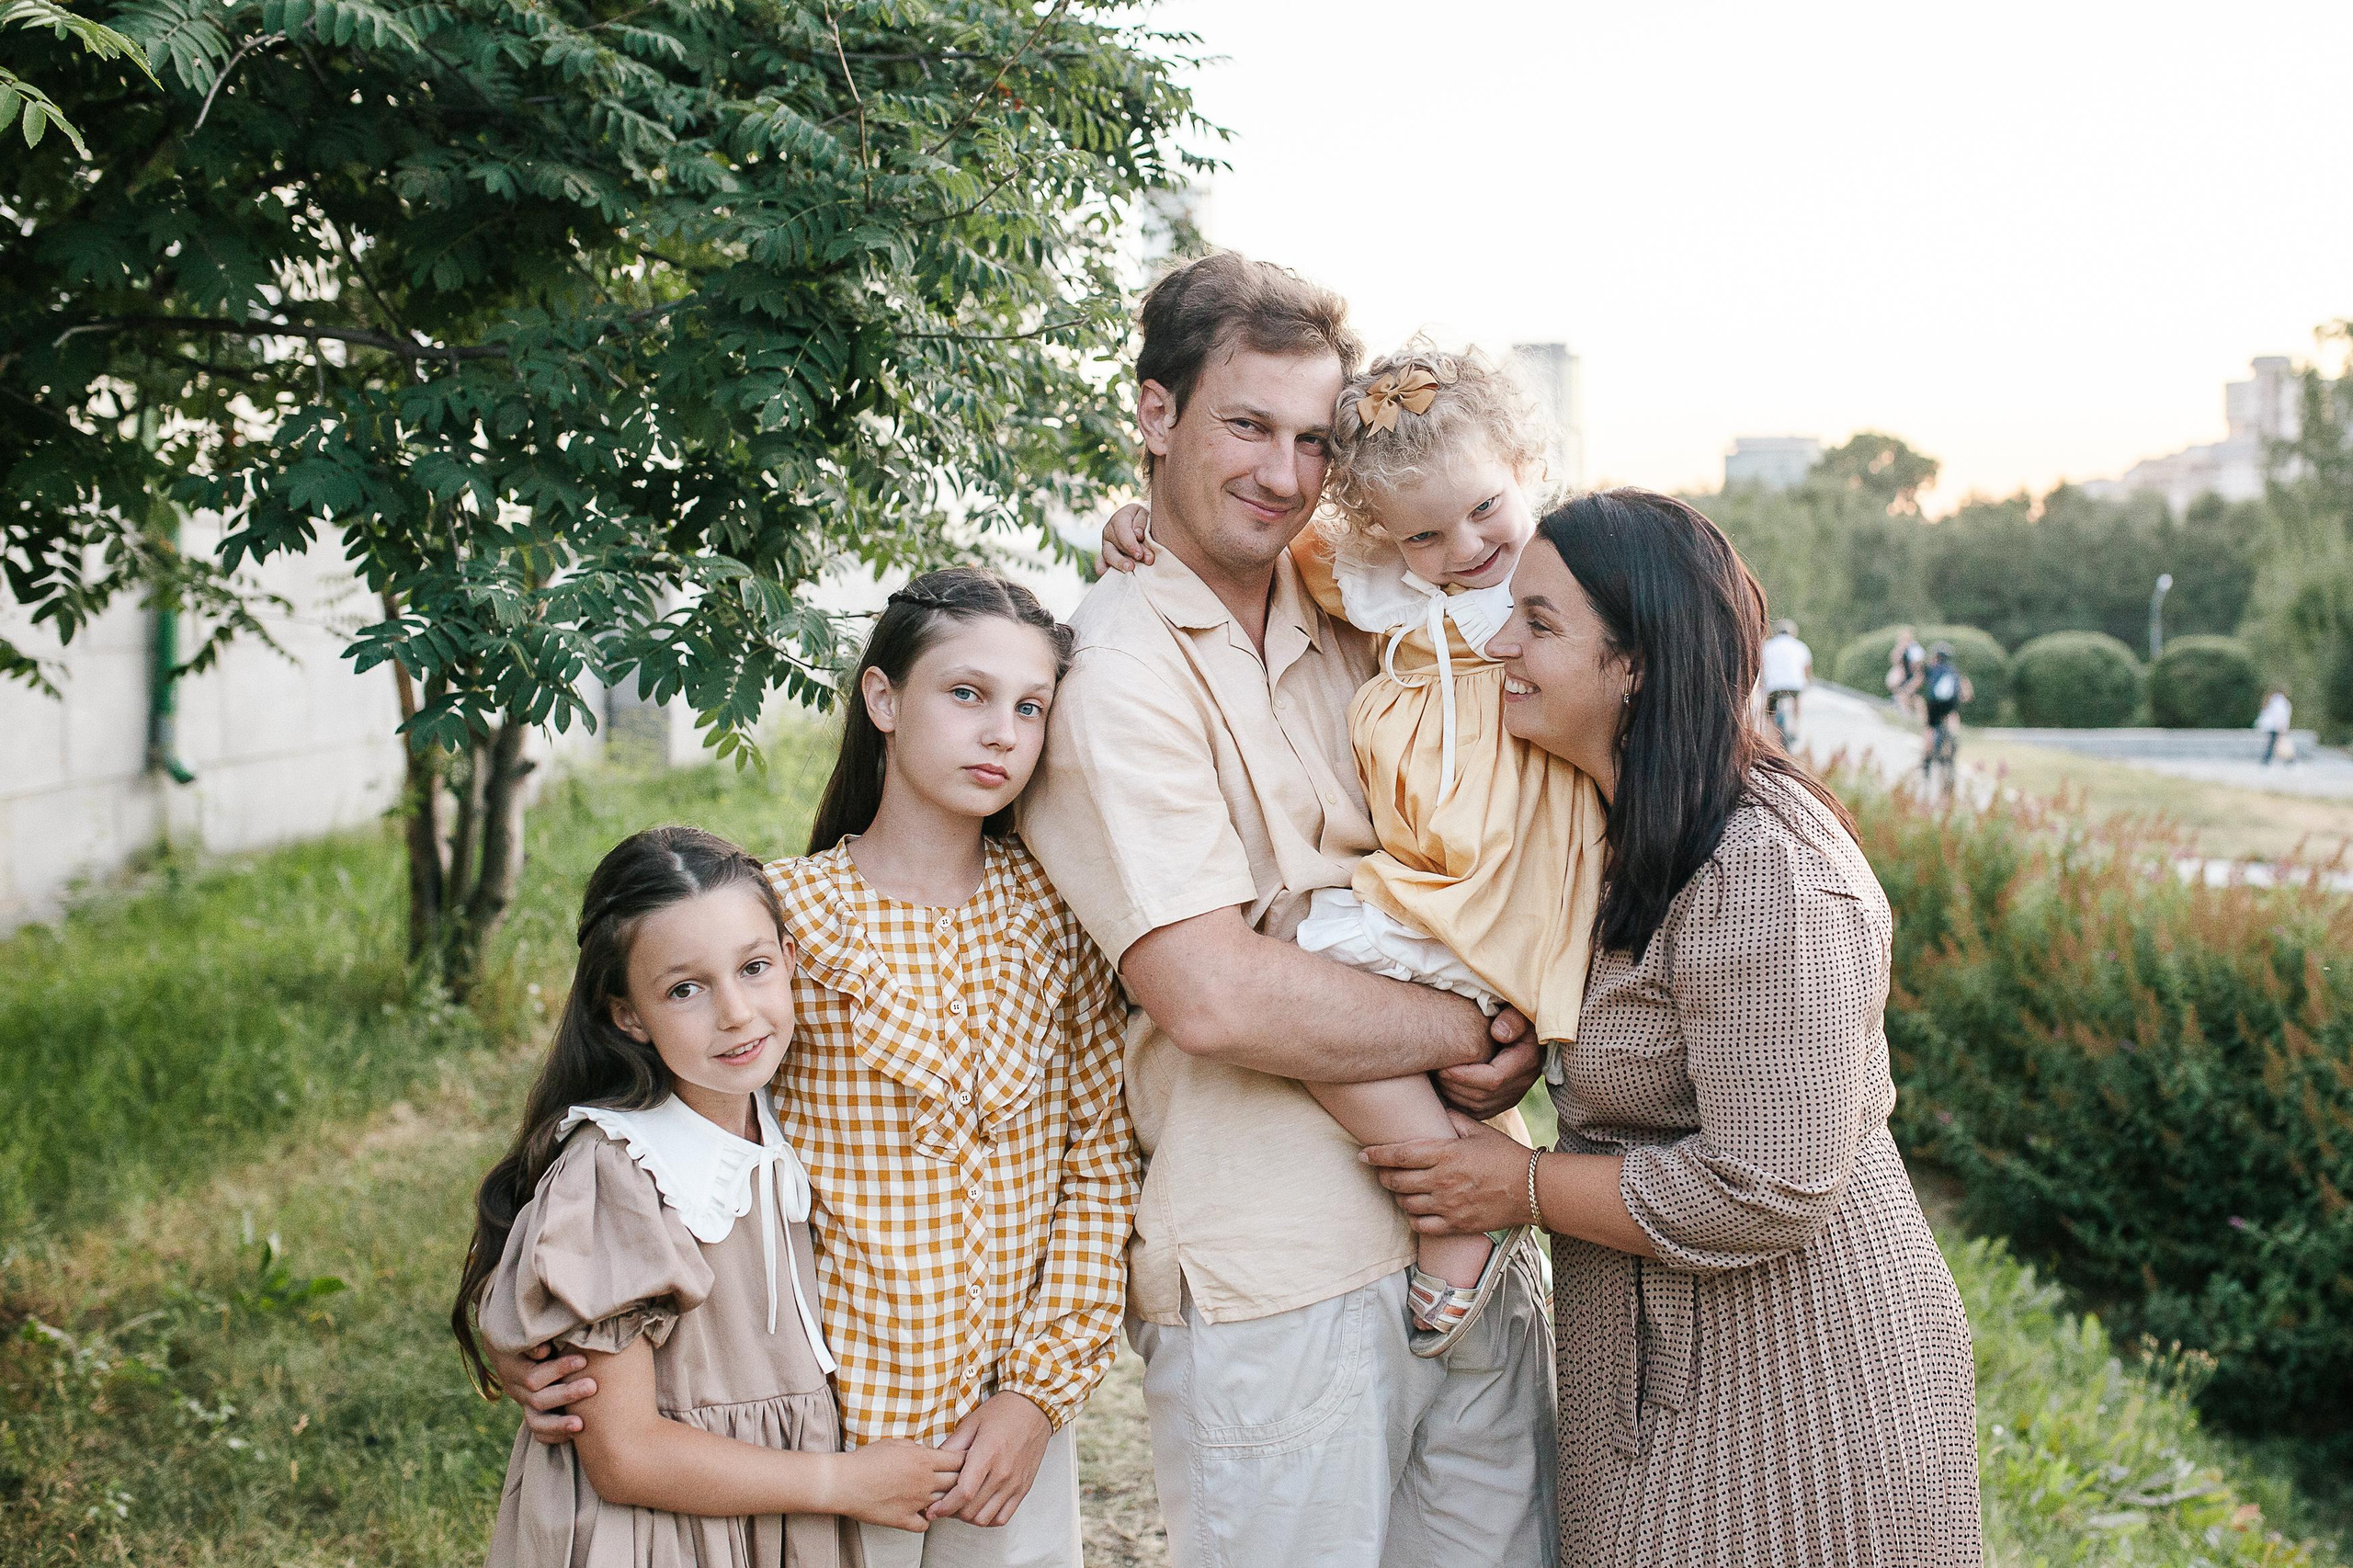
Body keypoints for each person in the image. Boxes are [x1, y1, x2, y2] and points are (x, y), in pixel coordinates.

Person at [1021, 252, 1556, 1568]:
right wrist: (1469, 1018)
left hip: (1476, 1217)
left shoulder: (1357, 606)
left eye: (1312, 440)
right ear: (1157, 419)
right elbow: (1210, 988)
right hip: (1279, 1278)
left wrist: (1528, 1017)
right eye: (1245, 426)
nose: (1281, 471)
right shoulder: (1114, 671)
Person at [1358, 489, 1983, 1567]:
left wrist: (1518, 1186)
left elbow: (1771, 1179)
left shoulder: (1762, 871)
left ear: (1636, 661)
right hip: (1666, 1356)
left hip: (1804, 1378)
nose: (1500, 642)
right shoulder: (1611, 817)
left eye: (1540, 623)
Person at [1097, 337, 1605, 1351]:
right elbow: (1264, 536)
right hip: (1439, 862)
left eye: (1483, 511)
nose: (1464, 548)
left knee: (1326, 957)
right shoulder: (1382, 590)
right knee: (1317, 970)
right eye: (1424, 532)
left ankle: (1451, 1199)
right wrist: (1133, 521)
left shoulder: (1567, 575)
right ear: (1387, 535)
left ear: (1525, 471)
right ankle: (1443, 1172)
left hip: (1514, 860)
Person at [452, 826, 962, 1568]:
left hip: (772, 1516)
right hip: (661, 1535)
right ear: (626, 1014)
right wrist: (842, 1480)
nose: (735, 1013)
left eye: (754, 967)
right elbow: (624, 1454)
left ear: (790, 963)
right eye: (685, 989)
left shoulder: (789, 1114)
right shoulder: (619, 1174)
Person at [762, 567, 1141, 1568]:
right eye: (965, 693)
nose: (1001, 732)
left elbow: (1098, 1165)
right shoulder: (784, 919)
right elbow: (670, 1156)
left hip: (1004, 1436)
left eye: (1029, 707)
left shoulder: (1058, 915)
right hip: (828, 1424)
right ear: (882, 698)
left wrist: (1034, 1395)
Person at [1918, 642, 1972, 796]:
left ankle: (1926, 759)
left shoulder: (1931, 669)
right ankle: (1953, 737)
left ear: (1936, 657)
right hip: (1950, 705)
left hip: (1934, 705)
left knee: (1929, 728)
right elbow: (1966, 694)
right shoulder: (1955, 671)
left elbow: (1919, 682)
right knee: (1952, 716)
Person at [1759, 617, 1813, 747]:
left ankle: (1771, 737)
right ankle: (1796, 728)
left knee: (1768, 712)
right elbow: (1807, 670)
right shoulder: (1800, 646)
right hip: (1795, 685)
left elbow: (1761, 670)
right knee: (1797, 698)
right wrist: (1806, 684)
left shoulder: (1768, 646)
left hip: (1774, 686)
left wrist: (1762, 688)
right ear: (1793, 633)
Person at [1887, 624, 1927, 720]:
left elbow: (1919, 671)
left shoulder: (1916, 649)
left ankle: (1917, 720)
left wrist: (1912, 685)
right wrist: (1901, 648)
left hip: (1913, 677)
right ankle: (1906, 717)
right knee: (1903, 697)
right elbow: (1894, 660)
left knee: (1915, 700)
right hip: (1904, 677)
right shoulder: (1902, 649)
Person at [2257, 687, 2293, 765]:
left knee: (2272, 743)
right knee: (2274, 743)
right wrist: (2281, 727)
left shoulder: (2273, 702)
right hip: (2276, 726)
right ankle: (2289, 759)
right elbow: (2280, 716)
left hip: (2272, 726)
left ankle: (2267, 759)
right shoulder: (2280, 703)